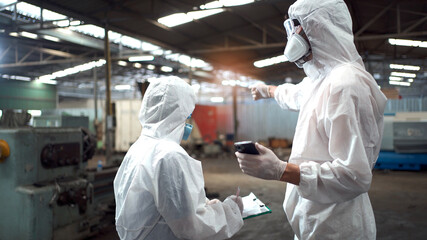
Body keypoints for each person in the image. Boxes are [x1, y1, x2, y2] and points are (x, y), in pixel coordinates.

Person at [235, 0, 387, 239]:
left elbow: (353, 176)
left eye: (298, 27)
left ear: (320, 27)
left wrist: (282, 170)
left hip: (338, 226)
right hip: (313, 220)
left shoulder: (346, 85)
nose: (293, 35)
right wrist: (268, 90)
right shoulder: (321, 80)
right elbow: (295, 94)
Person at [114, 77, 243, 240]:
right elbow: (191, 227)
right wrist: (229, 211)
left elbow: (160, 206)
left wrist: (202, 206)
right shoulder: (170, 156)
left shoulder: (138, 148)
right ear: (180, 113)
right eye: (187, 115)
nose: (187, 121)